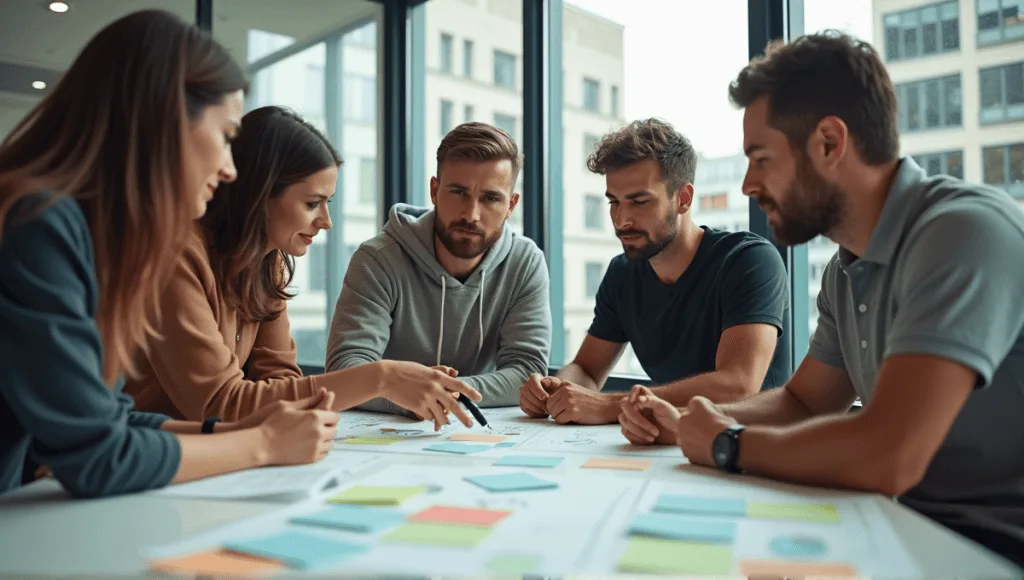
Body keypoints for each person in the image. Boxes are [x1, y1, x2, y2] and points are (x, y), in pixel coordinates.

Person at [619, 31, 1024, 566]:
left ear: (830, 143)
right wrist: (704, 417)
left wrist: (728, 444)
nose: (746, 185)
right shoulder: (845, 268)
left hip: (995, 546)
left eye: (761, 158)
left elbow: (890, 454)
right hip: (904, 525)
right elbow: (804, 401)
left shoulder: (964, 233)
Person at [0, 11, 342, 498]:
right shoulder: (37, 224)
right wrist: (262, 443)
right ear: (163, 122)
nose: (229, 170)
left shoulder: (92, 236)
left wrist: (240, 434)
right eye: (225, 138)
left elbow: (112, 417)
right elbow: (99, 457)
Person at [124, 106, 481, 430]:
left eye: (327, 203)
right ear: (258, 194)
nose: (326, 222)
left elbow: (279, 380)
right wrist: (381, 377)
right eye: (313, 203)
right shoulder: (176, 255)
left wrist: (391, 382)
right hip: (152, 458)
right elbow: (219, 404)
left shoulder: (268, 264)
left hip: (220, 455)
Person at [518, 119, 789, 429]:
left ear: (683, 199)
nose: (621, 220)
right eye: (614, 202)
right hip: (666, 444)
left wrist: (610, 404)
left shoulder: (749, 260)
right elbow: (586, 369)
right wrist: (558, 389)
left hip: (752, 449)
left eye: (639, 201)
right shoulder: (622, 273)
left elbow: (738, 384)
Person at [326, 122, 550, 415]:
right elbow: (345, 369)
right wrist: (408, 396)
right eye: (458, 192)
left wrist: (438, 393)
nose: (471, 214)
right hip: (388, 429)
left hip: (477, 433)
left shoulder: (525, 262)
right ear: (434, 190)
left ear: (511, 205)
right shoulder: (378, 258)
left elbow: (526, 371)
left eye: (490, 198)